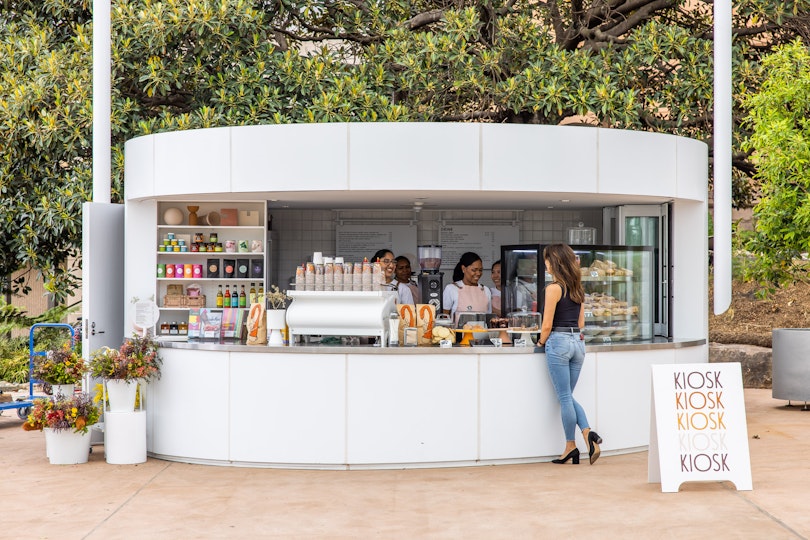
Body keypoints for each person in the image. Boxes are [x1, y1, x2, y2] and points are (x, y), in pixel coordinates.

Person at [537, 243, 602, 465]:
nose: (544, 264)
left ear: (554, 262)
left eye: (546, 260)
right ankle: (584, 437)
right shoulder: (577, 288)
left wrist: (540, 341)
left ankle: (573, 443)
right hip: (578, 344)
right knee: (567, 396)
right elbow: (581, 322)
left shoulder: (553, 288)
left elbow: (546, 326)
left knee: (564, 397)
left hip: (559, 342)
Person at [442, 251, 491, 323]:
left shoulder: (485, 290)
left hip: (482, 333)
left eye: (480, 270)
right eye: (474, 270)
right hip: (458, 333)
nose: (478, 273)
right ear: (463, 269)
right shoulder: (452, 289)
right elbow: (444, 317)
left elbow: (488, 317)